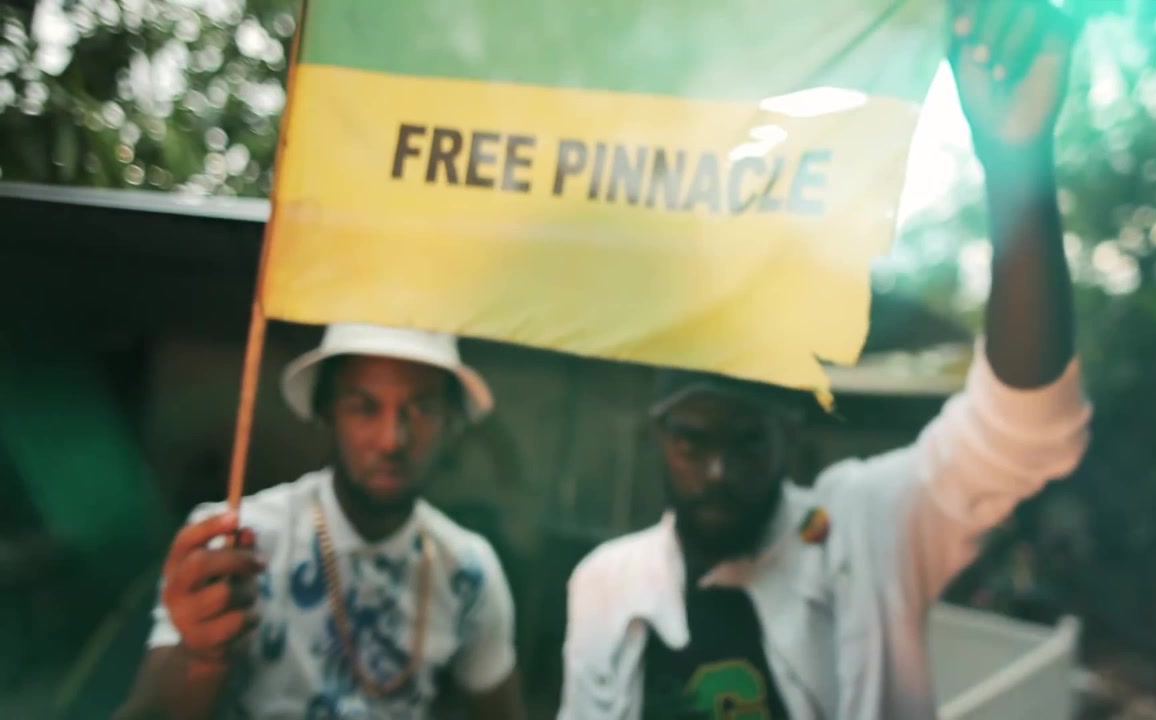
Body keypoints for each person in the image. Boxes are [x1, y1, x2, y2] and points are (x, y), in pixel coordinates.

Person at [557, 1, 1092, 718]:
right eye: (692, 441)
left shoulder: (866, 532)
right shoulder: (605, 586)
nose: (717, 472)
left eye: (747, 440)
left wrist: (1018, 163)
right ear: (657, 435)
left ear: (793, 435)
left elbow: (1025, 429)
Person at [116, 324, 525, 720]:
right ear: (326, 412)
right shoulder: (238, 542)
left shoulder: (469, 570)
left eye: (421, 408)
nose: (391, 439)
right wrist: (201, 655)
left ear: (450, 420)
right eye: (364, 407)